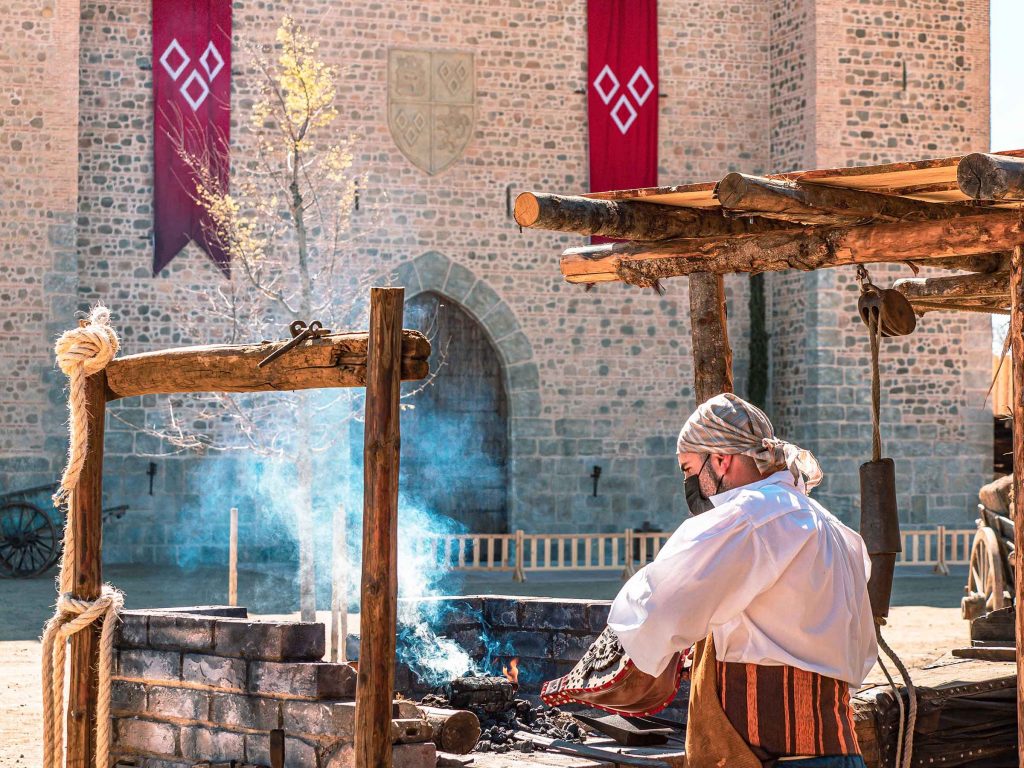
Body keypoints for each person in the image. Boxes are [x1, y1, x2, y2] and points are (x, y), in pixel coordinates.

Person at [608, 393, 877, 768]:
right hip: (839, 753)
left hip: (775, 758)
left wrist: (611, 666)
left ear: (721, 459)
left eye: (688, 469)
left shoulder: (751, 516)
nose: (689, 483)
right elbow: (862, 654)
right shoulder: (835, 529)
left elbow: (659, 607)